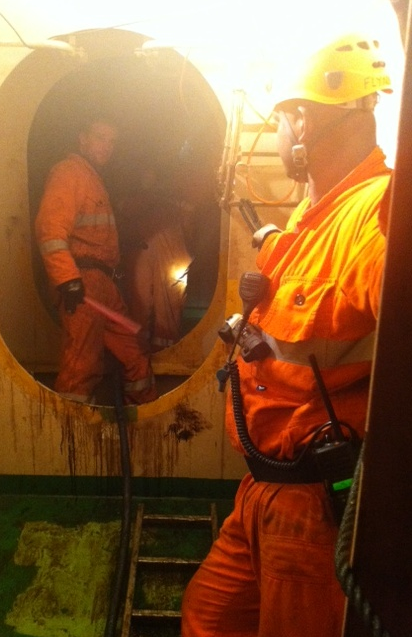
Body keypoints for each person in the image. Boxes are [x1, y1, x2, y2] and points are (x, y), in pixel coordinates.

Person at [181, 32, 394, 636]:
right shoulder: (313, 211)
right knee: (207, 617)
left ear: (304, 121)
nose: (276, 135)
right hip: (264, 487)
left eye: (280, 118)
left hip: (314, 501)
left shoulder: (375, 213)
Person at [35, 115, 157, 405]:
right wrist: (67, 280)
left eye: (112, 141)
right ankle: (72, 438)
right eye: (100, 138)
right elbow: (50, 231)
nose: (107, 146)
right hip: (84, 283)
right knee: (82, 364)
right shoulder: (68, 173)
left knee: (135, 353)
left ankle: (141, 422)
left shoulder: (92, 178)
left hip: (102, 285)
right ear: (83, 139)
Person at [117, 165, 193, 352]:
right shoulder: (133, 202)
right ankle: (139, 358)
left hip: (171, 260)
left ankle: (163, 356)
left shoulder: (177, 201)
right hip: (143, 256)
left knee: (168, 312)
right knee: (139, 308)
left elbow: (191, 226)